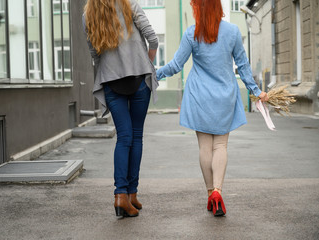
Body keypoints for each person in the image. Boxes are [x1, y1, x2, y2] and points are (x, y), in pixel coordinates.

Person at [156, 0, 269, 217]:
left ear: (198, 8)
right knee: (221, 146)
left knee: (205, 148)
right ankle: (218, 191)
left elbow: (176, 65)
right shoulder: (233, 32)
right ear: (218, 7)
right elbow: (243, 66)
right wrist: (256, 91)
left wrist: (155, 74)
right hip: (224, 96)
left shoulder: (192, 33)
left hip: (199, 96)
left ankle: (210, 194)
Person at [82, 0, 158, 218]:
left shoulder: (88, 13)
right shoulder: (130, 4)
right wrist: (146, 61)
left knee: (123, 137)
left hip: (111, 81)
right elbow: (152, 38)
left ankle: (123, 196)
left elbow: (94, 54)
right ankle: (130, 193)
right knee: (136, 137)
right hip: (138, 77)